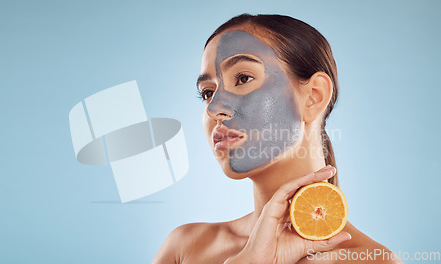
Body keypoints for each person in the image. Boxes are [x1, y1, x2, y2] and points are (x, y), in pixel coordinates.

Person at [153, 14, 401, 264]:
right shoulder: (185, 249)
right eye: (207, 92)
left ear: (313, 96)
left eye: (243, 78)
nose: (213, 108)